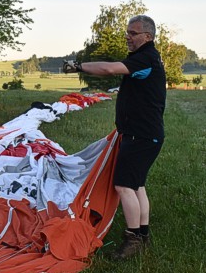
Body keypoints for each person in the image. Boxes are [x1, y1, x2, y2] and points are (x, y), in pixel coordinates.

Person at [62, 14, 166, 259]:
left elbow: (109, 69)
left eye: (133, 33)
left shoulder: (146, 58)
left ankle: (133, 239)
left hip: (140, 135)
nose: (128, 37)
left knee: (124, 186)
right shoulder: (146, 58)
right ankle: (142, 234)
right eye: (127, 32)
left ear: (147, 36)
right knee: (137, 185)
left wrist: (78, 66)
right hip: (145, 134)